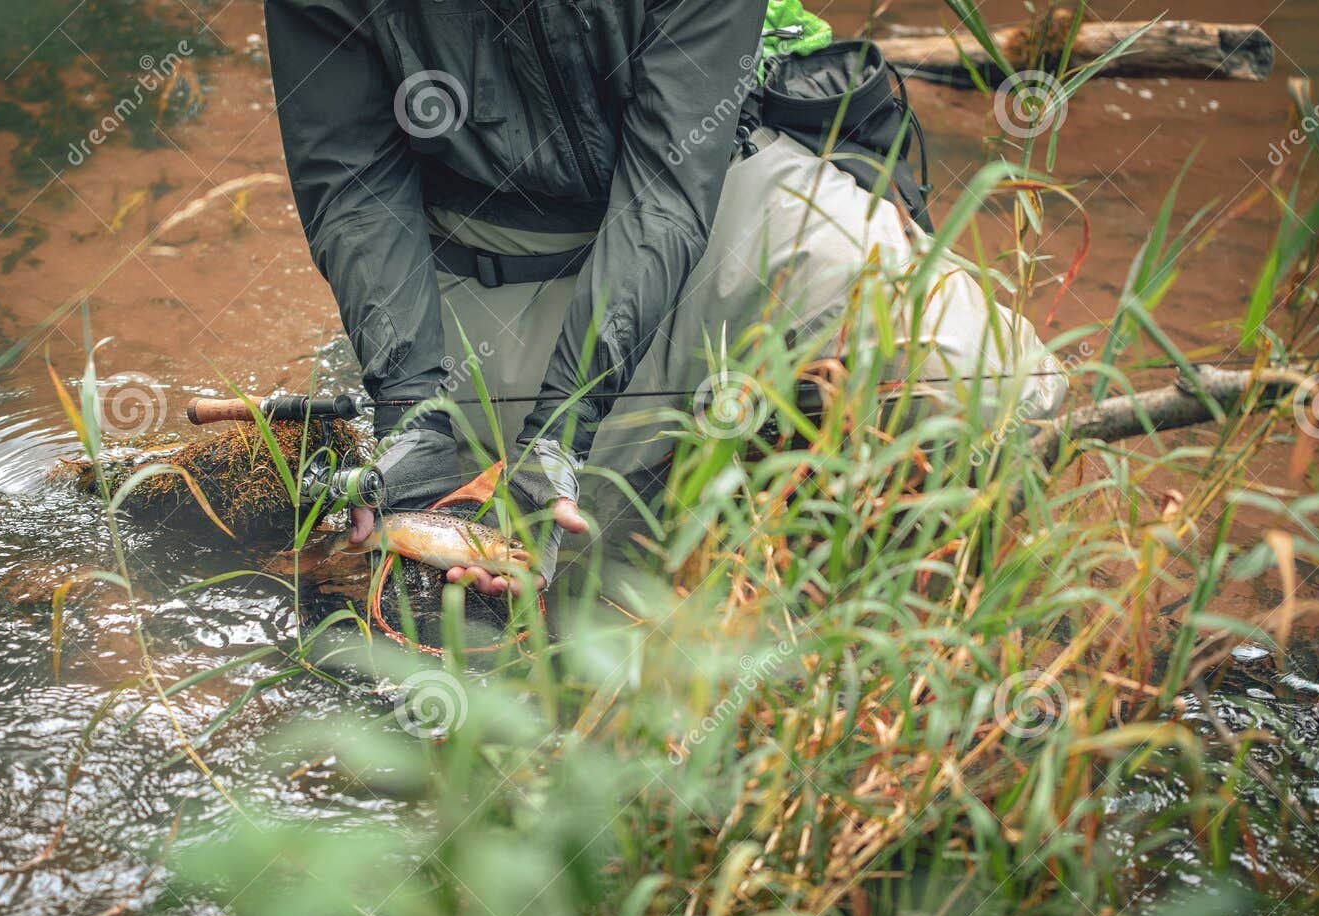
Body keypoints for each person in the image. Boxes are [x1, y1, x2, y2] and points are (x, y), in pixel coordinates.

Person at [265, 0, 1066, 594]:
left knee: (987, 390)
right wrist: (411, 407)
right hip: (486, 265)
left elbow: (666, 195)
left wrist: (562, 427)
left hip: (714, 189)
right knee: (517, 615)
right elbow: (352, 185)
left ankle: (855, 658)